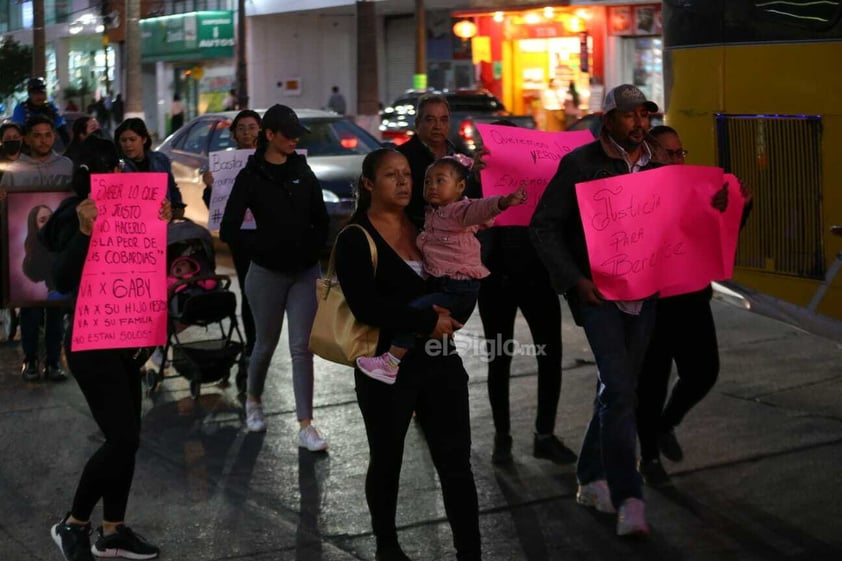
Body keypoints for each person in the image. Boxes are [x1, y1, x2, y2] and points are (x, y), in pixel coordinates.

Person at [334, 148, 481, 561]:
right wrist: (422, 322)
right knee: (387, 459)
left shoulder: (428, 224)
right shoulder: (355, 237)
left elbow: (462, 271)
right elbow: (366, 307)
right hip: (387, 367)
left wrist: (452, 316)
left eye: (406, 175)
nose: (403, 182)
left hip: (441, 360)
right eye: (390, 175)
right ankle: (387, 546)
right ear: (368, 184)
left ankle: (470, 551)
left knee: (456, 463)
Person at [529, 84, 663, 537]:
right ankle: (630, 499)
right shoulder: (580, 164)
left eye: (644, 115)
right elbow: (544, 226)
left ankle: (589, 475)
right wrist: (575, 280)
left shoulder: (658, 161)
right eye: (629, 116)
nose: (639, 123)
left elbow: (677, 218)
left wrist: (722, 207)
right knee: (621, 391)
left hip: (644, 294)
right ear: (607, 119)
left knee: (618, 391)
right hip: (598, 294)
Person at [40, 134, 169, 561]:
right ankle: (73, 523)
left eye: (119, 165)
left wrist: (160, 221)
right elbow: (59, 280)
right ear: (89, 177)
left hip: (128, 337)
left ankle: (112, 530)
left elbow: (147, 262)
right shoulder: (70, 216)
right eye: (110, 167)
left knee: (128, 440)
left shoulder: (131, 206)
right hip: (92, 342)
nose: (119, 172)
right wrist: (82, 231)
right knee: (122, 438)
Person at [635, 125, 753, 486]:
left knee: (704, 371)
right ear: (648, 153)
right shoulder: (633, 188)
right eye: (669, 153)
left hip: (691, 296)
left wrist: (736, 207)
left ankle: (665, 424)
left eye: (680, 152)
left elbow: (719, 236)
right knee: (651, 382)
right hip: (652, 304)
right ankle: (649, 457)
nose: (677, 158)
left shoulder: (694, 187)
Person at [355, 155, 527, 384]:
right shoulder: (430, 213)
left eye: (440, 181)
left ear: (460, 187)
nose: (432, 186)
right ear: (369, 184)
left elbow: (481, 208)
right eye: (427, 181)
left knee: (415, 312)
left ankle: (390, 362)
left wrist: (504, 201)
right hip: (447, 288)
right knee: (421, 318)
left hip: (458, 287)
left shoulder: (459, 211)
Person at [220, 104, 329, 451]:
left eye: (297, 134)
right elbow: (229, 228)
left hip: (304, 271)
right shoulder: (250, 176)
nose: (294, 139)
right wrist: (262, 246)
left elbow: (321, 218)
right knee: (264, 345)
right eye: (288, 133)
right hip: (265, 273)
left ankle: (306, 425)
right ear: (269, 135)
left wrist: (312, 248)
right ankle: (253, 400)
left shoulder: (302, 169)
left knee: (302, 348)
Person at [477, 119, 577, 466]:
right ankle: (502, 437)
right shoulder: (477, 174)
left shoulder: (543, 175)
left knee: (550, 354)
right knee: (498, 358)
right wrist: (476, 171)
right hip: (495, 279)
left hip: (537, 276)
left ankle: (544, 435)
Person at [0, 116, 73, 382]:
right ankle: (30, 360)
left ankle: (53, 362)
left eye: (47, 134)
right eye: (37, 135)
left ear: (54, 136)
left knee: (56, 309)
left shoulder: (67, 166)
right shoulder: (14, 170)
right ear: (27, 139)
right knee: (29, 310)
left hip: (60, 251)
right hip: (30, 254)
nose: (43, 140)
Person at [200, 109, 260, 363]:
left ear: (261, 130)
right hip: (242, 238)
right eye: (242, 128)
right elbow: (215, 205)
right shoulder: (224, 165)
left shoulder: (272, 158)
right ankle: (253, 343)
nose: (247, 132)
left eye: (252, 127)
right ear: (234, 134)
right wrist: (211, 187)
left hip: (271, 235)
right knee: (250, 289)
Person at [397, 93, 485, 228]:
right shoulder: (401, 157)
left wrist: (476, 178)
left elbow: (468, 199)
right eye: (430, 120)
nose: (437, 126)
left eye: (443, 120)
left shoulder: (461, 157)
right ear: (417, 123)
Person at [114, 117, 185, 217]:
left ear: (144, 139)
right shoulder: (118, 166)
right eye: (123, 140)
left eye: (132, 139)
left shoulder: (160, 159)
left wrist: (176, 207)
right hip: (134, 223)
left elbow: (172, 188)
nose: (128, 144)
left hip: (161, 221)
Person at [11, 77, 70, 146]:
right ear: (30, 95)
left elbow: (63, 133)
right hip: (28, 151)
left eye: (42, 93)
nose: (39, 96)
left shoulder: (51, 108)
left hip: (48, 149)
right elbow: (17, 133)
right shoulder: (21, 109)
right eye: (35, 93)